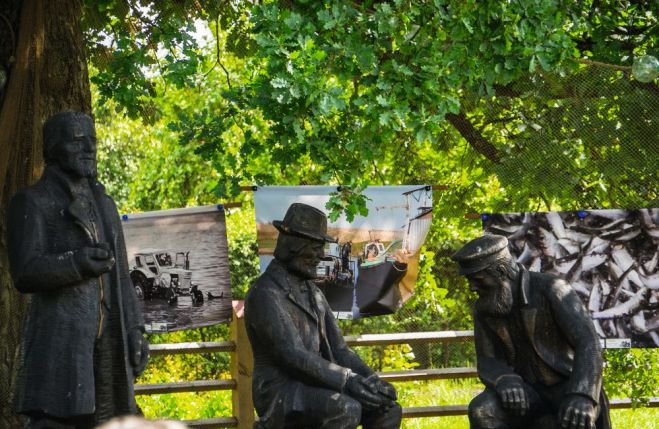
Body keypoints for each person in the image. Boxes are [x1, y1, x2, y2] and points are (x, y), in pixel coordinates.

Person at [7, 111, 149, 429]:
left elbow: (122, 275)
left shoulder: (105, 205)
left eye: (93, 140)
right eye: (78, 141)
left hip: (107, 342)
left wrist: (135, 329)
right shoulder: (32, 202)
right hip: (60, 342)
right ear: (54, 147)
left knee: (108, 419)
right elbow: (24, 271)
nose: (89, 148)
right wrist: (75, 263)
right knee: (55, 421)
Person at [245, 203, 402, 429]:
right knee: (346, 409)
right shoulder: (265, 294)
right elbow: (292, 355)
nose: (320, 256)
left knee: (387, 409)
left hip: (317, 384)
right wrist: (348, 380)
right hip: (281, 391)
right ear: (293, 245)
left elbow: (339, 350)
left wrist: (370, 380)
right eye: (316, 247)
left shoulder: (313, 292)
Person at [452, 235, 611, 429]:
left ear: (501, 271)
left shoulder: (552, 288)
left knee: (576, 417)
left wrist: (582, 394)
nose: (472, 287)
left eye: (478, 280)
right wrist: (505, 379)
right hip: (525, 393)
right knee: (482, 410)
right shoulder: (484, 308)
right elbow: (487, 359)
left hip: (566, 385)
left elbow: (588, 342)